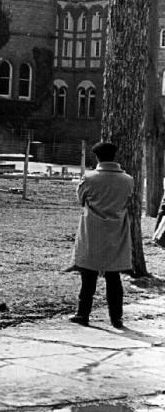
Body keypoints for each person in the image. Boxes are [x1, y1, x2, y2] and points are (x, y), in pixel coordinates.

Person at [68, 140, 132, 329]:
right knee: (114, 277)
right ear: (114, 156)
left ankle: (83, 313)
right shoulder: (128, 180)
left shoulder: (89, 178)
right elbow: (127, 201)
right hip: (117, 231)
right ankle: (116, 317)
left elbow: (81, 199)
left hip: (92, 230)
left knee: (88, 275)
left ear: (97, 157)